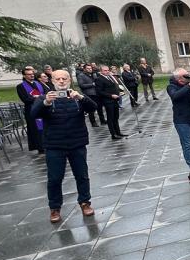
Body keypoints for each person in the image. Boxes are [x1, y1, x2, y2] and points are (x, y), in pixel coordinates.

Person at [31, 70, 97, 223]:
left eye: (64, 78)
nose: (61, 81)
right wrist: (46, 102)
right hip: (55, 145)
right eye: (57, 79)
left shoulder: (76, 97)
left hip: (77, 143)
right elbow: (34, 114)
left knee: (82, 175)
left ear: (69, 80)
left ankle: (85, 202)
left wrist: (81, 97)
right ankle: (55, 208)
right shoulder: (44, 98)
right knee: (54, 178)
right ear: (52, 81)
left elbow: (93, 107)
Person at [16, 66, 46, 153]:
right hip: (31, 110)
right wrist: (37, 97)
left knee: (43, 127)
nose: (32, 76)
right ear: (24, 76)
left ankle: (45, 144)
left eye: (32, 74)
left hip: (42, 108)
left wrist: (38, 97)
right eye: (29, 74)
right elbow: (25, 99)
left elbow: (44, 94)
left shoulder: (38, 83)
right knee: (36, 128)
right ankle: (40, 147)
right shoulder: (20, 86)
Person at [94, 65, 125, 140]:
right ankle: (113, 134)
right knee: (110, 118)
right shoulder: (99, 79)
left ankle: (118, 132)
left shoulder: (110, 77)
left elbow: (114, 86)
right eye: (105, 70)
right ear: (101, 71)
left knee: (116, 117)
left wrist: (119, 93)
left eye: (108, 70)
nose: (107, 71)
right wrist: (111, 95)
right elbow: (99, 92)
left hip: (115, 100)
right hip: (108, 101)